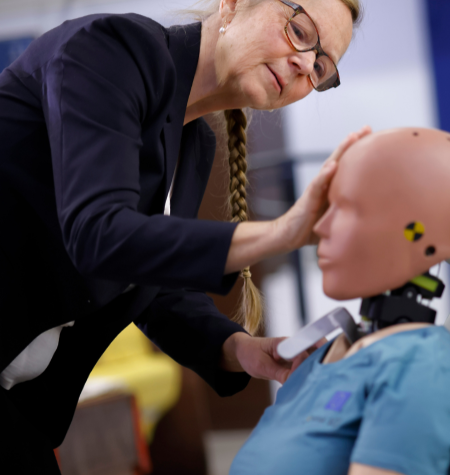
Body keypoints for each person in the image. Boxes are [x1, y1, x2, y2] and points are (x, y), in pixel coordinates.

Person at [0, 0, 368, 471]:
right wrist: (281, 232)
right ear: (232, 5)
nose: (302, 64)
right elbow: (99, 233)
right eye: (298, 30)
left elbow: (158, 292)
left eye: (321, 66)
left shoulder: (194, 147)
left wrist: (243, 351)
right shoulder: (110, 51)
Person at [229, 128, 450, 475]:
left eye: (346, 208)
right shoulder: (319, 356)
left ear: (418, 230)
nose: (320, 227)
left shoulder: (419, 370)